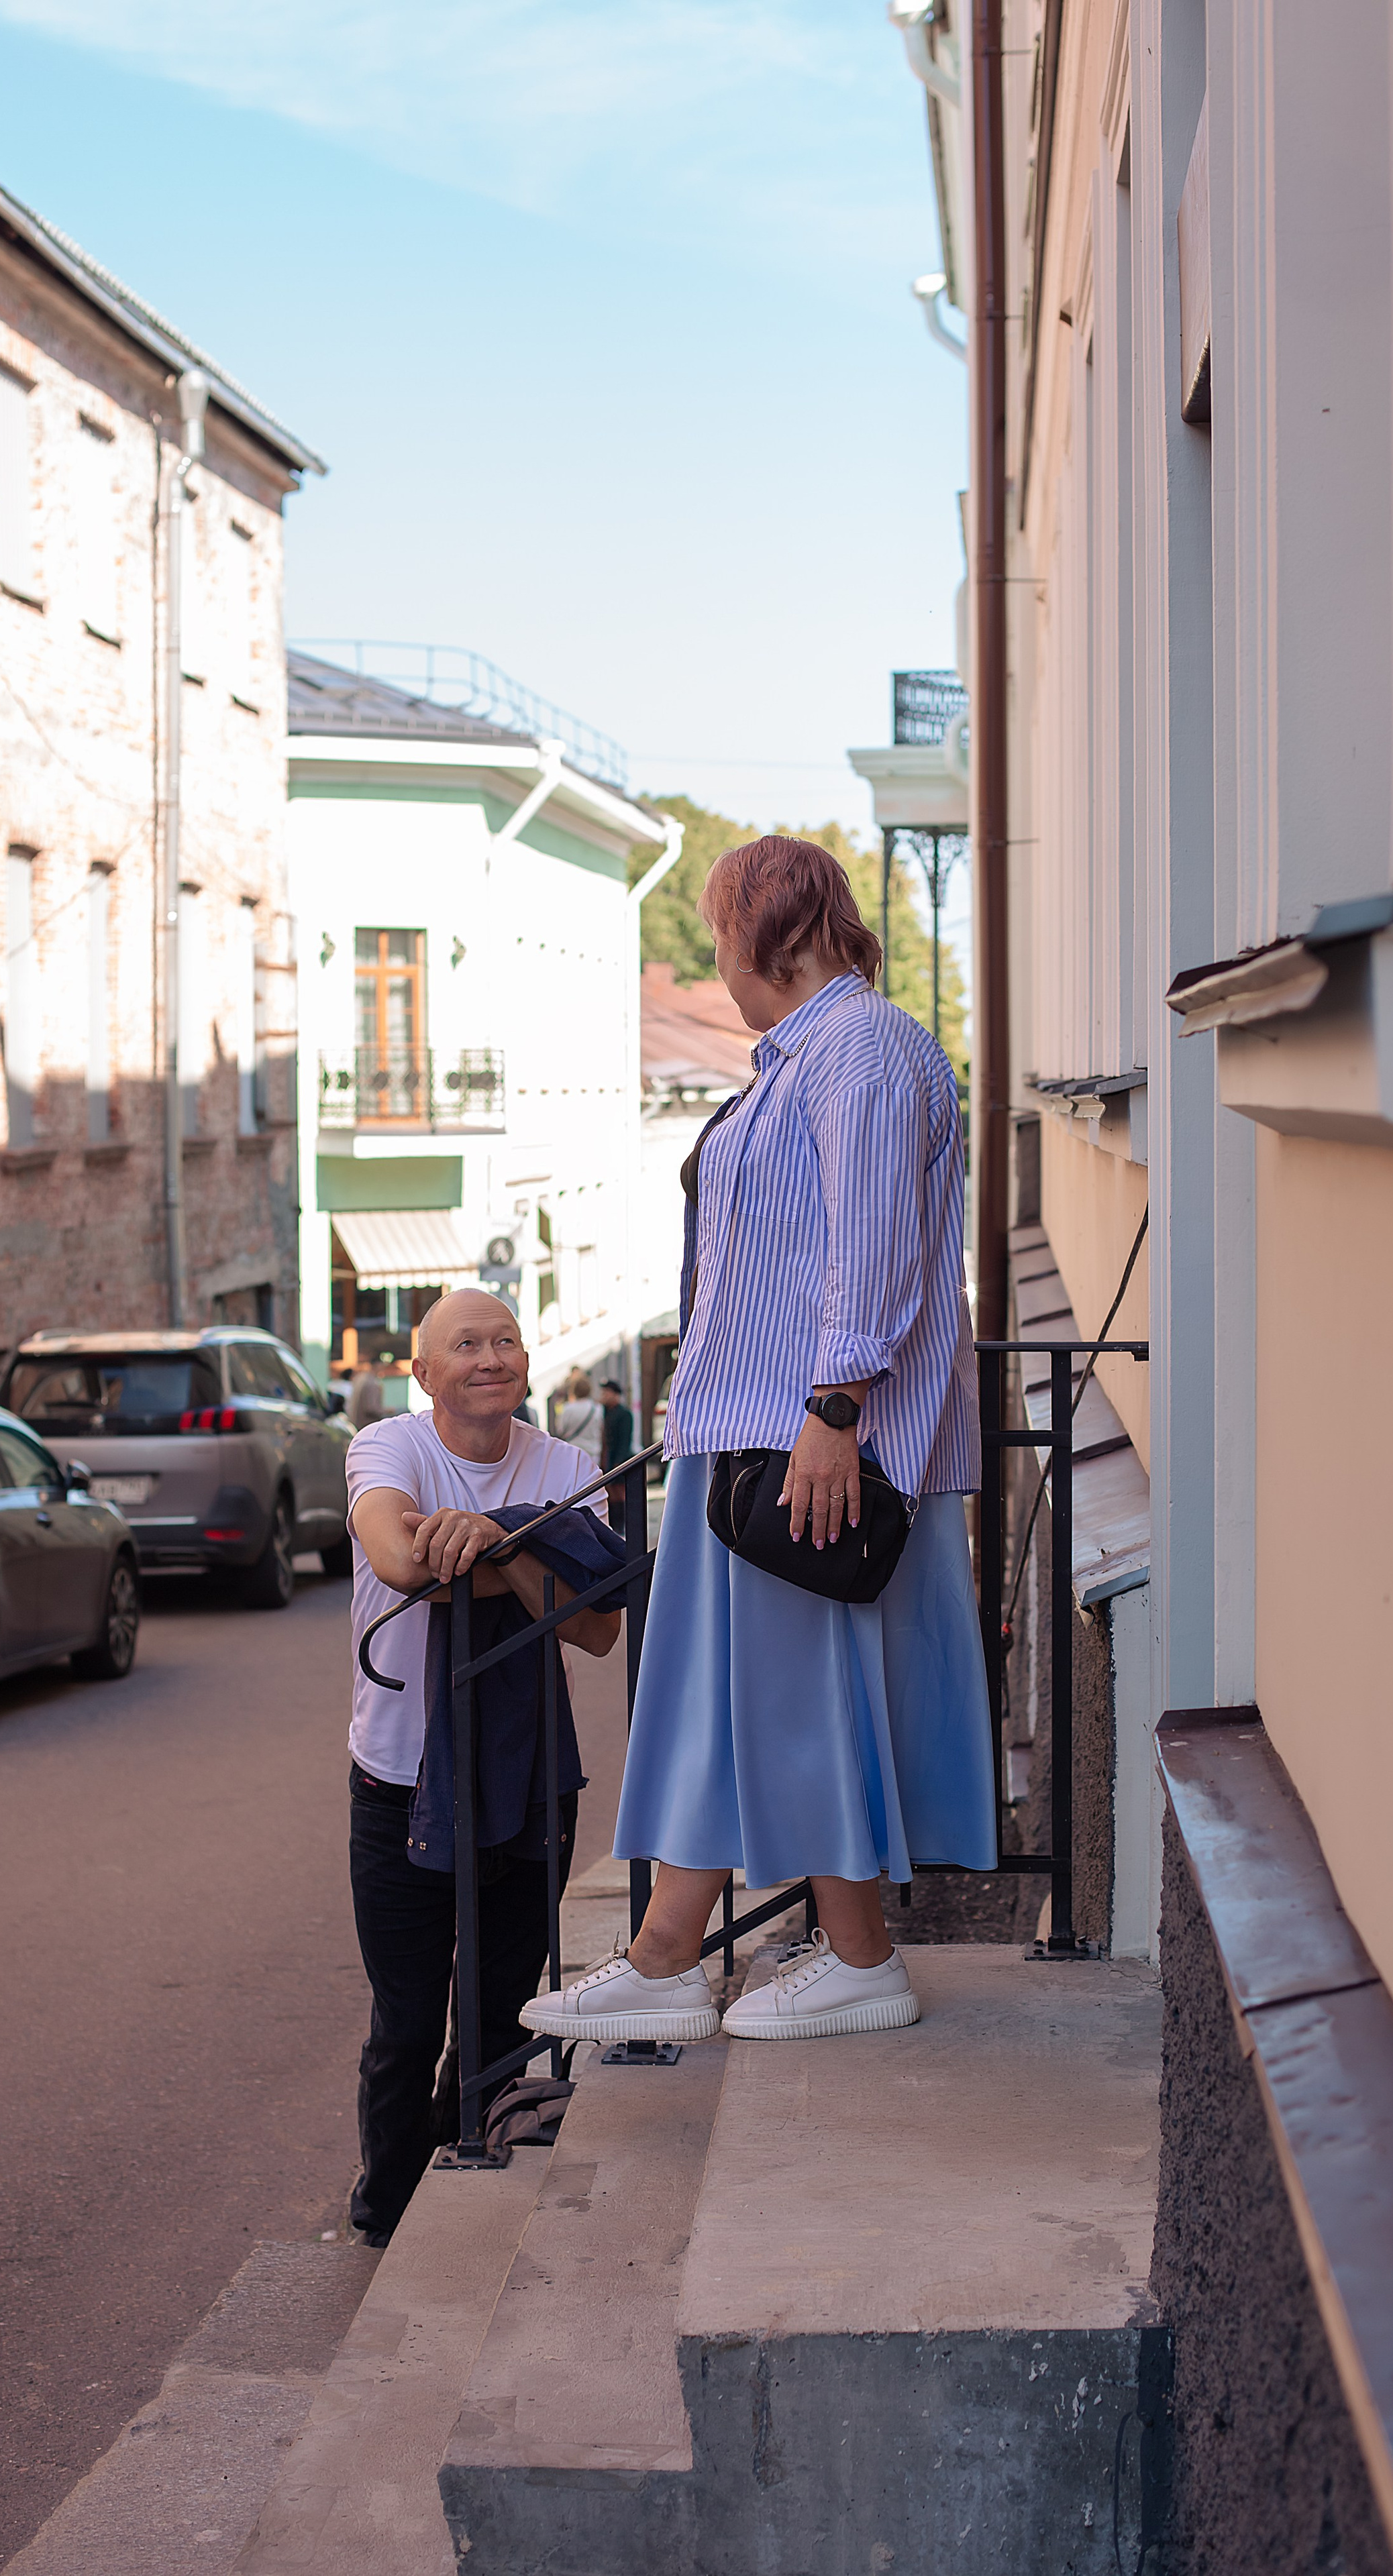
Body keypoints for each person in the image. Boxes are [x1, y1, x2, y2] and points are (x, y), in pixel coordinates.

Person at [522, 835, 993, 2055]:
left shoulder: (865, 1055)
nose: (719, 972)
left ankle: (852, 1959)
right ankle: (672, 1958)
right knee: (740, 1712)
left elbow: (874, 1245)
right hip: (752, 1437)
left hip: (811, 1449)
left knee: (800, 1710)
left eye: (721, 944)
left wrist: (834, 1412)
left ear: (764, 934)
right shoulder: (810, 1060)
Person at [344, 1289, 620, 2244]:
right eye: (465, 1345)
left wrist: (498, 1539)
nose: (490, 1357)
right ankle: (385, 2211)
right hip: (398, 1781)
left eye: (505, 1340)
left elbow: (592, 1627)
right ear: (425, 1373)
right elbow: (395, 1556)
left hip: (526, 1777)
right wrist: (525, 1543)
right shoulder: (388, 1448)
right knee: (409, 2024)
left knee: (501, 2018)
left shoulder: (569, 1466)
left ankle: (476, 2212)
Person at [599, 1376, 635, 1532]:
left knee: (620, 1494)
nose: (604, 1396)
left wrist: (618, 1462)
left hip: (618, 1460)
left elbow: (624, 1440)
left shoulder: (624, 1414)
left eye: (607, 1392)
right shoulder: (605, 1413)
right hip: (607, 1459)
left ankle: (622, 1526)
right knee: (609, 1493)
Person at [552, 1369, 603, 1470]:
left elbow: (560, 1430)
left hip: (574, 1451)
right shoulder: (597, 1408)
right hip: (593, 1452)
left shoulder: (567, 1408)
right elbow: (600, 1429)